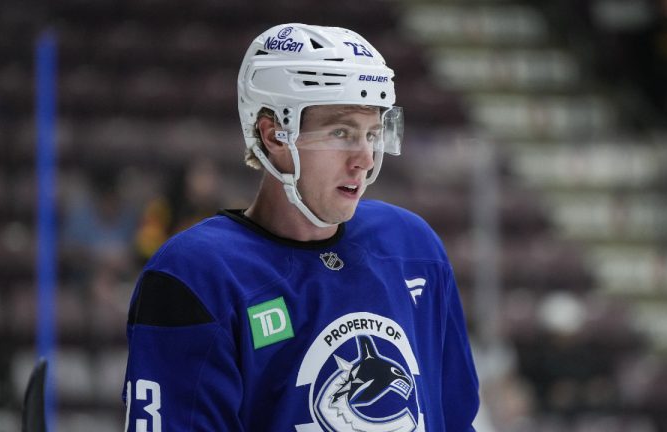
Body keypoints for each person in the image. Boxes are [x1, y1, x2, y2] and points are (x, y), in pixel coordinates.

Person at [122, 23, 479, 431]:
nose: (364, 158)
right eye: (342, 132)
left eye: (372, 133)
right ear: (274, 134)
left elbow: (454, 417)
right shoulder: (197, 274)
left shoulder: (413, 247)